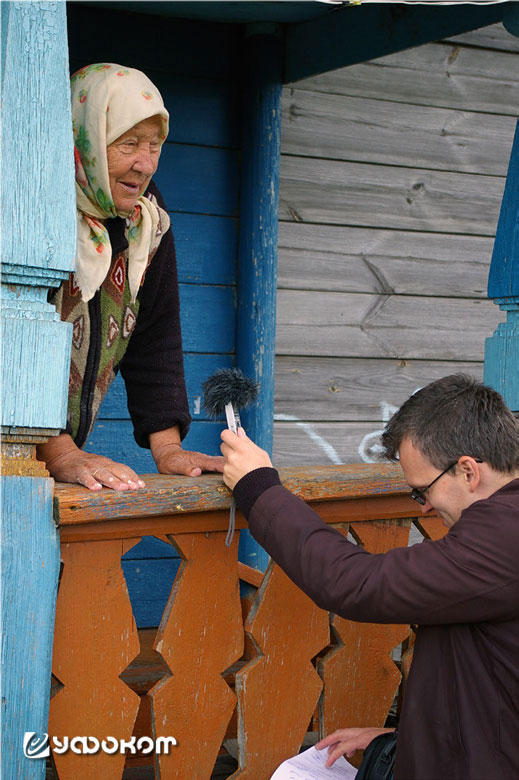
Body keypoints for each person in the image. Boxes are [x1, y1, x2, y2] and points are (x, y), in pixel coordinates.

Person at [220, 374, 519, 779]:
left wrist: (260, 489)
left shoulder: (504, 538)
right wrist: (404, 738)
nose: (424, 508)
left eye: (422, 491)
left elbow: (357, 582)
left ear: (467, 471)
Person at [36, 63, 223, 491]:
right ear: (87, 139)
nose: (145, 164)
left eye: (155, 145)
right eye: (129, 143)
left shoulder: (145, 222)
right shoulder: (34, 208)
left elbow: (154, 338)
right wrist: (60, 451)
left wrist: (168, 449)